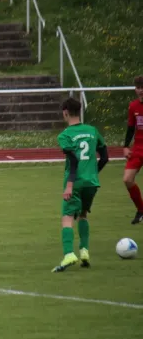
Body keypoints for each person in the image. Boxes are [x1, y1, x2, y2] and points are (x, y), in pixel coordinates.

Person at [52, 97, 108, 273]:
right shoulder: (92, 131)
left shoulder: (65, 135)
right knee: (83, 214)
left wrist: (69, 185)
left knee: (67, 217)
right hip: (91, 182)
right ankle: (84, 251)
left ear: (66, 112)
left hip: (75, 182)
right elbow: (105, 157)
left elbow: (74, 161)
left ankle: (69, 254)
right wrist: (92, 173)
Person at [123, 75, 143, 225]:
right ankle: (141, 210)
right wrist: (125, 146)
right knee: (127, 179)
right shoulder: (133, 106)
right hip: (138, 147)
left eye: (142, 87)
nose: (140, 90)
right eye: (138, 87)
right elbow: (131, 128)